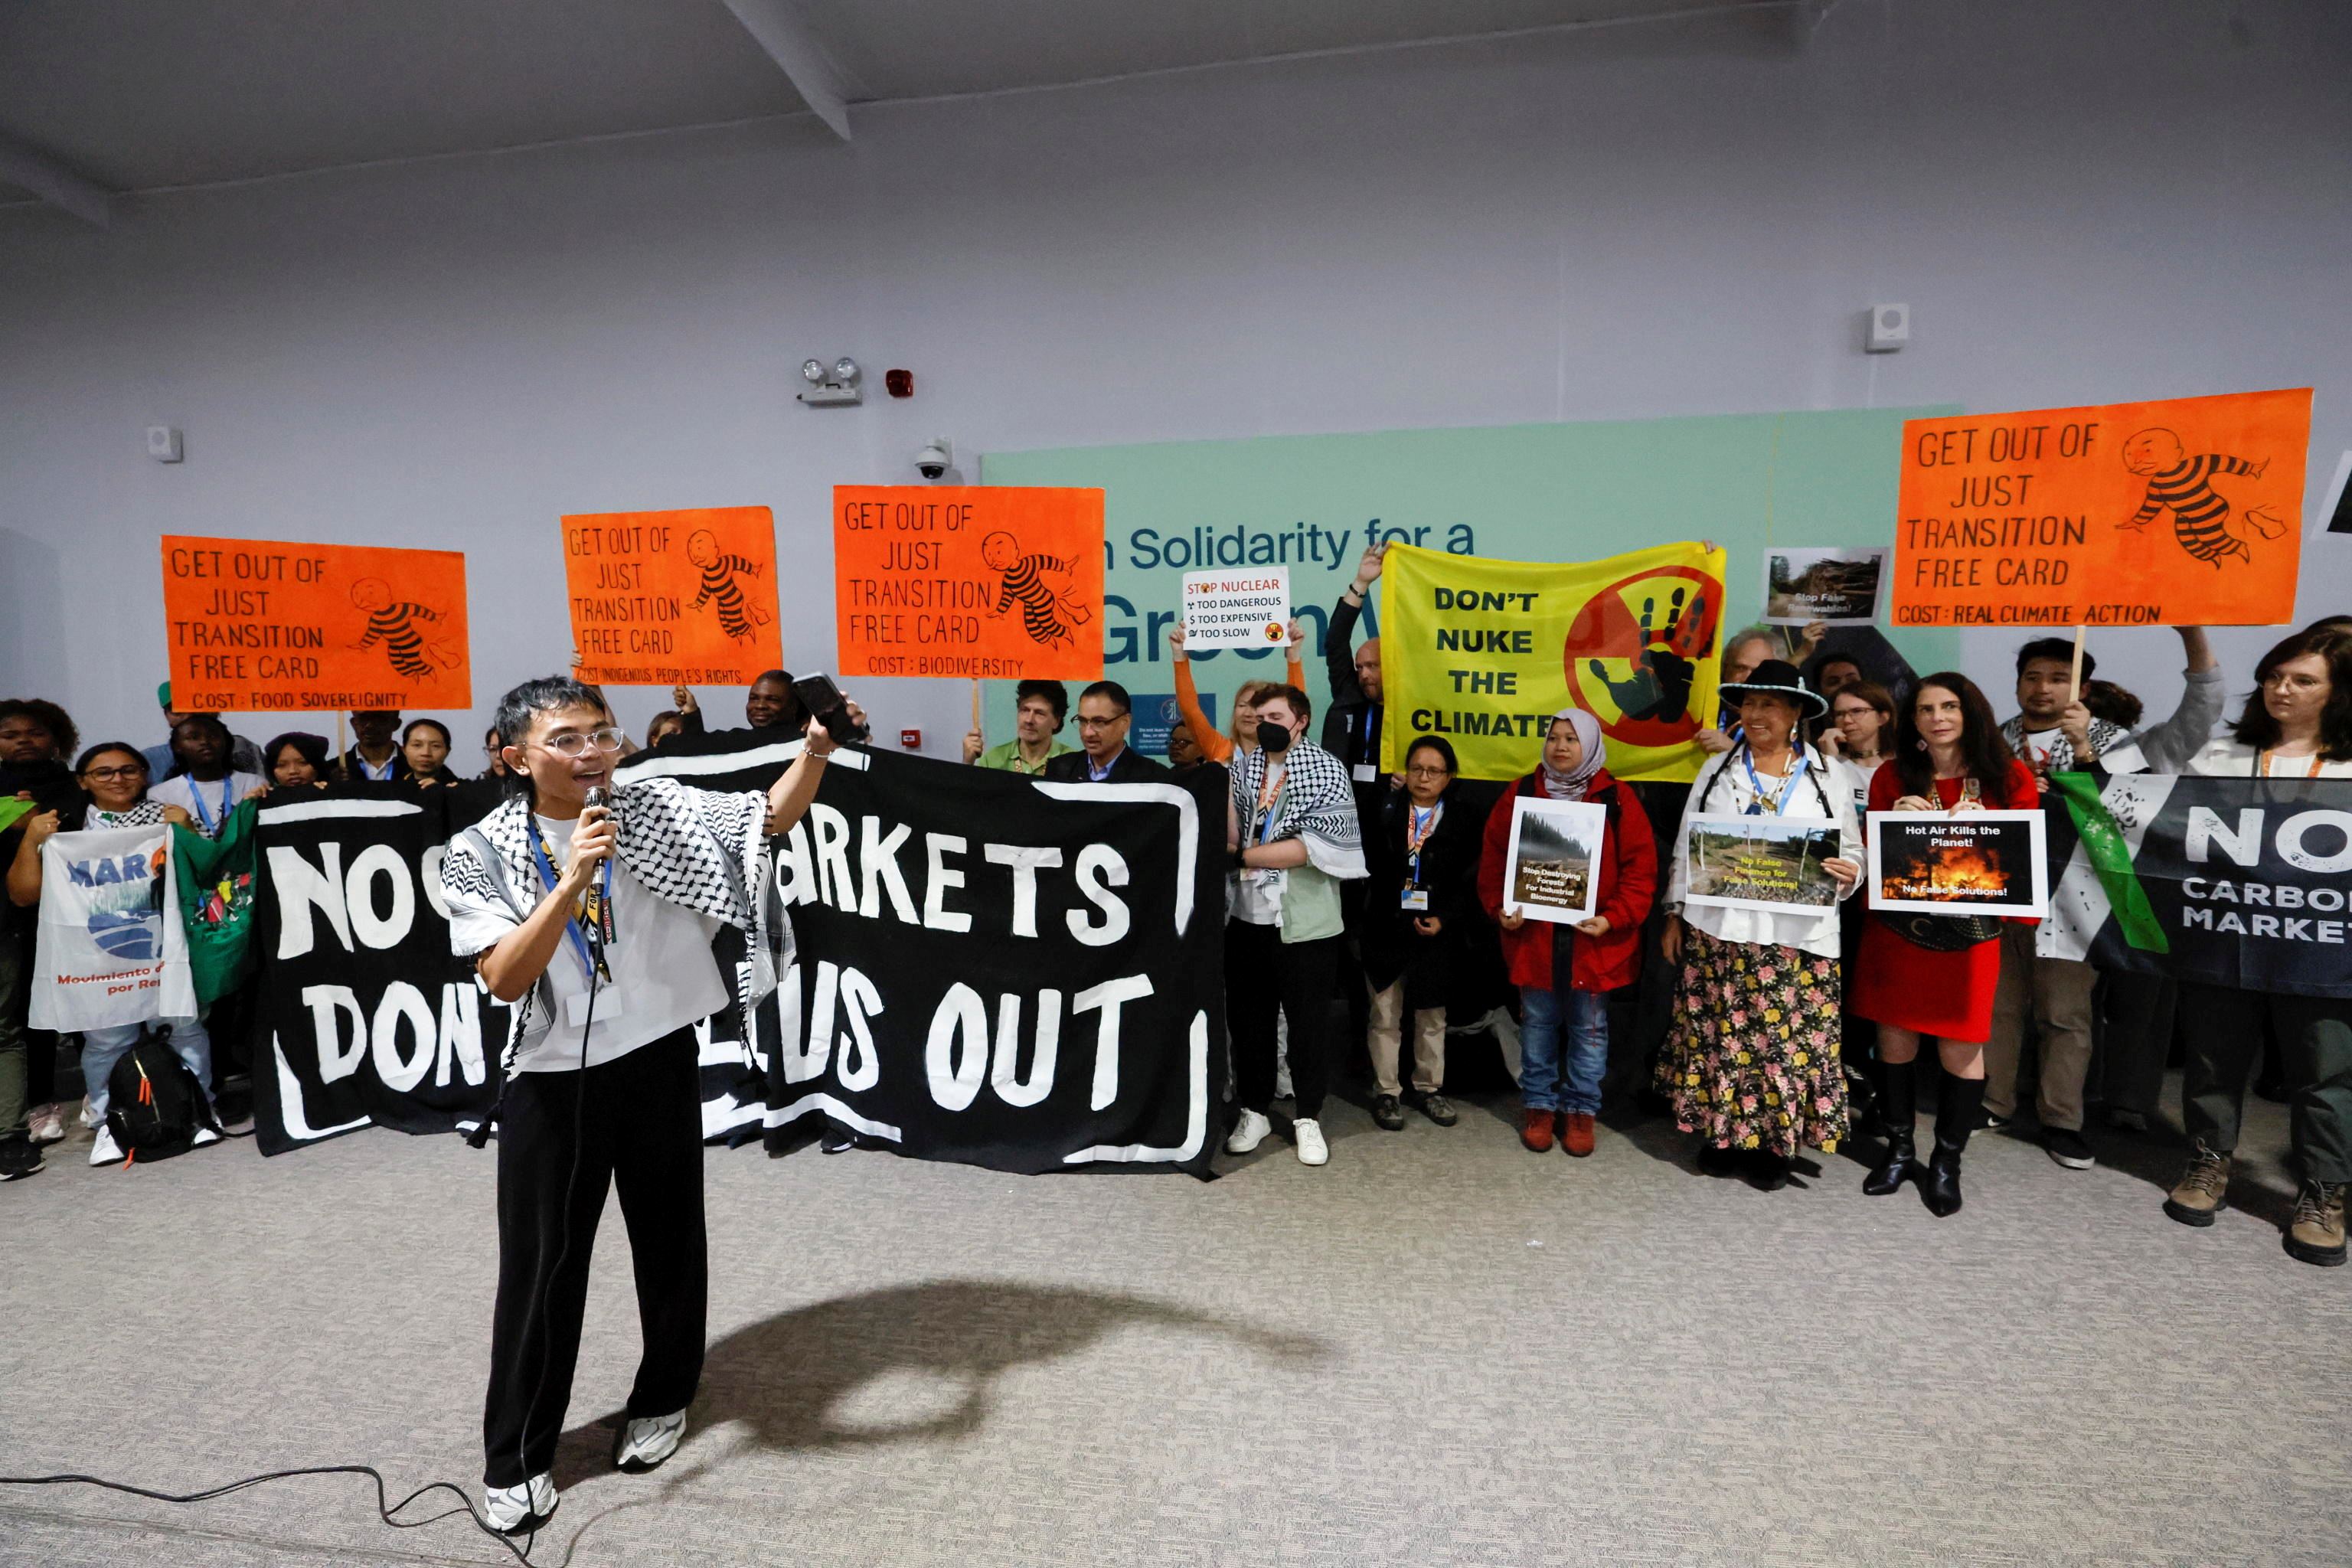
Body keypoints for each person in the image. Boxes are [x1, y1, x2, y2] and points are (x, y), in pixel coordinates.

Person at [440, 674, 851, 1530]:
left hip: (659, 1054)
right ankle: (516, 1455)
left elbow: (764, 818)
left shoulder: (654, 804)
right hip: (554, 1082)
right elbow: (507, 977)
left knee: (669, 1240)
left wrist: (813, 751)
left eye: (602, 732)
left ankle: (664, 1397)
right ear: (516, 756)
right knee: (543, 1267)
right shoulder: (479, 850)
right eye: (568, 738)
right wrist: (570, 880)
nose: (592, 750)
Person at [1984, 629, 2223, 1169]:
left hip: (2078, 895)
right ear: (2018, 683)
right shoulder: (1994, 740)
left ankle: (2062, 1122)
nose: (2043, 688)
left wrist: (2087, 749)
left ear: (2082, 686)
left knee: (2065, 1015)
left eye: (2058, 678)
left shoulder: (2116, 739)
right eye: (2032, 677)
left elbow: (2134, 807)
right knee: (1999, 1008)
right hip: (2004, 889)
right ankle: (1993, 1103)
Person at [2157, 626, 2352, 1266]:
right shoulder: (2221, 757)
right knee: (2214, 1059)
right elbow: (2157, 827)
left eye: (2302, 680)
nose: (2280, 690)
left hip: (2324, 950)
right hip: (2226, 940)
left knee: (2326, 1074)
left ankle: (2324, 1192)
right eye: (2273, 676)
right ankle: (2210, 1161)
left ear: (2338, 691)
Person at [1657, 662, 1861, 1188]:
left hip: (1796, 937)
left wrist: (1850, 872)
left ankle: (1774, 1146)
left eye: (1769, 704)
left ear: (1796, 713)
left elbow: (1854, 852)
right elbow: (1687, 843)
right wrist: (1674, 912)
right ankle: (1721, 1137)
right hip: (1719, 930)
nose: (1755, 714)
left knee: (1781, 1045)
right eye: (1748, 704)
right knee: (1719, 1036)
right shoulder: (1717, 770)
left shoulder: (1828, 776)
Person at [1848, 674, 2038, 1217]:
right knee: (1895, 1042)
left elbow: (2025, 858)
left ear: (1970, 712)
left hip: (1969, 936)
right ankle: (1900, 1151)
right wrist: (1887, 825)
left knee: (1961, 1046)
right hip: (1899, 933)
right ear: (1912, 722)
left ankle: (1948, 1162)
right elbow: (1871, 858)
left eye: (1950, 706)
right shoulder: (1891, 776)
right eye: (1926, 709)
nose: (1938, 718)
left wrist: (1992, 827)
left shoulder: (2009, 776)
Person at [7, 743, 217, 1167]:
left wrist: (189, 830)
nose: (117, 779)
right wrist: (32, 839)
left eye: (128, 770)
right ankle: (111, 1123)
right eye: (103, 773)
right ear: (82, 780)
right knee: (106, 1039)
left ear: (144, 774)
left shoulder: (168, 815)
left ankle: (199, 1109)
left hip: (166, 945)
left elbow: (213, 872)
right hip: (96, 954)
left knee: (182, 1026)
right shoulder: (63, 825)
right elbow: (23, 895)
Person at [1481, 710, 1657, 1157]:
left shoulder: (1617, 799)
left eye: (1571, 739)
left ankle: (1581, 1111)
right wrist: (1501, 907)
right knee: (1536, 1027)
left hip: (1594, 942)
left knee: (1590, 1031)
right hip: (1534, 938)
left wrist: (1613, 918)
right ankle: (1539, 1106)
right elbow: (1494, 860)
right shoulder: (1521, 793)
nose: (1560, 746)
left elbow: (1641, 871)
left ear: (1591, 746)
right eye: (1554, 737)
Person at [1223, 685, 1366, 1165]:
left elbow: (1314, 847)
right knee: (1250, 1024)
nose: (1264, 722)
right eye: (1259, 714)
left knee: (1306, 1027)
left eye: (1276, 715)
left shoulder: (1325, 770)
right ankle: (1255, 1109)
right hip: (1246, 917)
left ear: (1300, 721)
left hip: (1305, 924)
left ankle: (1308, 1116)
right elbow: (1231, 829)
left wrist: (1243, 855)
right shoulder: (1243, 767)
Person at [1357, 737, 1477, 1131]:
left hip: (1435, 933)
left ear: (1449, 777)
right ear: (1404, 773)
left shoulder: (1462, 818)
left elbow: (1469, 882)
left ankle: (1429, 1088)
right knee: (1384, 1015)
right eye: (1416, 769)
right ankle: (1387, 1092)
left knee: (1432, 1016)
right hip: (1386, 928)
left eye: (1434, 771)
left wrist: (1446, 918)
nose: (1424, 778)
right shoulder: (1385, 811)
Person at [0, 701, 79, 1178]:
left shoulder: (80, 783)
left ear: (57, 738)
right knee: (29, 1011)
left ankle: (103, 1091)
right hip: (11, 914)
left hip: (77, 911)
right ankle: (39, 1102)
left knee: (87, 997)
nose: (24, 740)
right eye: (11, 734)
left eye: (35, 732)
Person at [1168, 623, 1307, 766]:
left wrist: (1293, 655)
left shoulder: (1284, 750)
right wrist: (1179, 657)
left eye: (1255, 706)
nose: (1247, 713)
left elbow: (1296, 705)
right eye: (1241, 705)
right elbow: (1190, 710)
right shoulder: (1219, 747)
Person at [1324, 548, 1390, 818]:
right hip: (1342, 808)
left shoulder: (1413, 704)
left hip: (1392, 809)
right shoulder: (1349, 694)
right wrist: (1361, 583)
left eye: (1372, 666)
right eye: (1359, 667)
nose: (1363, 674)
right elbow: (1336, 640)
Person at [148, 714, 266, 838]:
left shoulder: (254, 784)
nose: (205, 742)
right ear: (177, 747)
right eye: (193, 737)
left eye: (213, 736)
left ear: (226, 742)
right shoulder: (159, 795)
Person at [1044, 682, 1168, 784]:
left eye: (1099, 722)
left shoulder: (1152, 776)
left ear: (1125, 722)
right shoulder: (1059, 769)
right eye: (1082, 721)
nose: (1088, 733)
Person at [141, 681, 263, 780]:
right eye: (177, 709)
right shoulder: (150, 760)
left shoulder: (243, 747)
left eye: (197, 705)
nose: (189, 715)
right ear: (167, 716)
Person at [1693, 626, 1782, 754]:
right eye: (1740, 668)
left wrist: (1734, 750)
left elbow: (1787, 769)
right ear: (1725, 669)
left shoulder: (1782, 718)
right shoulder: (1702, 706)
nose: (1747, 677)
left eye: (1757, 671)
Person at [965, 681, 1076, 775]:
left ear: (1056, 721)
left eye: (1039, 713)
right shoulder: (993, 759)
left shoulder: (1074, 762)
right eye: (1025, 710)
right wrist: (968, 763)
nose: (1029, 720)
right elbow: (972, 800)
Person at [342, 709, 410, 782]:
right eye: (363, 718)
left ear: (396, 724)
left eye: (379, 718)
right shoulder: (333, 769)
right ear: (353, 723)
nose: (369, 725)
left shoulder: (417, 766)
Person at [262, 732, 332, 793]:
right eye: (281, 765)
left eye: (303, 763)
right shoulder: (265, 799)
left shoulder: (333, 794)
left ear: (318, 765)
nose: (292, 771)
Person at [402, 718, 462, 786]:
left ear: (447, 751)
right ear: (404, 750)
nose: (426, 753)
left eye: (435, 746)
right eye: (417, 745)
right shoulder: (395, 785)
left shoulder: (460, 789)